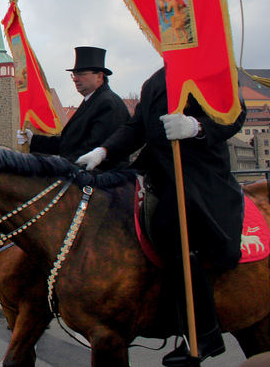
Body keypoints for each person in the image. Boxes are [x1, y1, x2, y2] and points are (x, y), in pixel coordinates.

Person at [77, 66, 246, 366]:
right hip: (156, 172)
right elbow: (135, 128)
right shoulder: (155, 80)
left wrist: (196, 127)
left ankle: (204, 332)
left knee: (171, 226)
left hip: (199, 178)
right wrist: (103, 151)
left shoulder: (212, 68)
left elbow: (234, 114)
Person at [19, 46, 130, 170]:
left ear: (99, 76)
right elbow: (69, 143)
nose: (75, 79)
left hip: (102, 179)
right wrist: (33, 140)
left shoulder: (108, 103)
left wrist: (55, 165)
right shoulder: (93, 100)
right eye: (74, 75)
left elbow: (91, 149)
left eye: (81, 74)